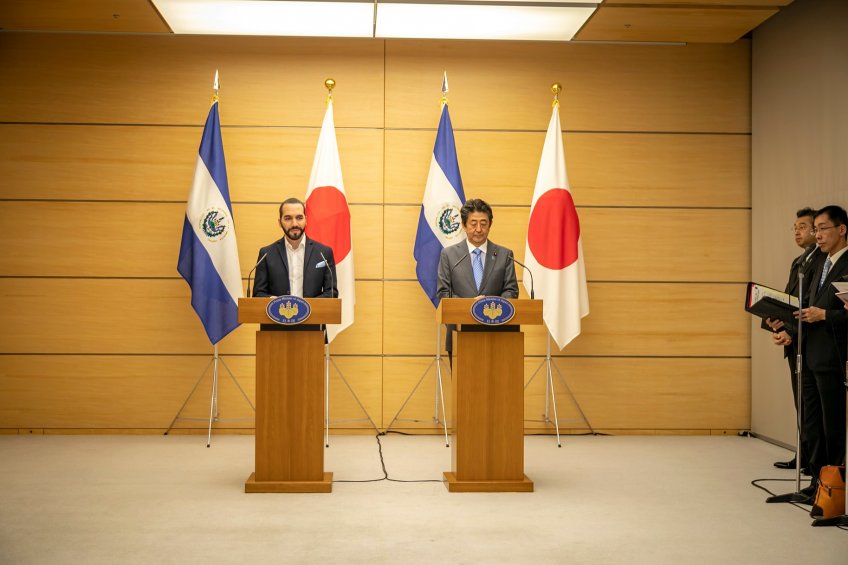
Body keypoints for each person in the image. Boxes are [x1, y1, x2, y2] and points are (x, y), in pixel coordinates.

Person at [775, 204, 848, 501]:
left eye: (822, 228)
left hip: (833, 356)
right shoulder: (817, 263)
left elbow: (832, 313)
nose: (817, 235)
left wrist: (826, 316)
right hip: (807, 354)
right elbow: (804, 306)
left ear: (841, 230)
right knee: (812, 424)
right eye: (814, 229)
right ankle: (815, 483)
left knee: (832, 427)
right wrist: (785, 327)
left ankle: (832, 493)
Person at [764, 208, 824, 472]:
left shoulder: (822, 261)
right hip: (794, 340)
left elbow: (810, 303)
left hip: (809, 339)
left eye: (803, 226)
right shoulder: (799, 261)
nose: (797, 232)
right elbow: (791, 302)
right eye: (795, 227)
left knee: (812, 406)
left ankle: (814, 461)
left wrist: (792, 329)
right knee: (801, 402)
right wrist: (775, 320)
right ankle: (804, 453)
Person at [436, 199, 518, 360]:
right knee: (464, 386)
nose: (478, 229)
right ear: (464, 225)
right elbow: (444, 293)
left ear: (490, 224)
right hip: (460, 334)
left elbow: (511, 291)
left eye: (483, 223)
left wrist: (488, 305)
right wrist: (473, 306)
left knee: (499, 384)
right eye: (473, 224)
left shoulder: (504, 255)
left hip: (499, 334)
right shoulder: (449, 255)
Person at [253, 197, 337, 299]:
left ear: (306, 220)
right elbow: (258, 294)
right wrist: (275, 302)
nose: (294, 224)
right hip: (278, 313)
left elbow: (332, 293)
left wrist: (306, 306)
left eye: (299, 218)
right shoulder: (266, 254)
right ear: (280, 222)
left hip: (313, 314)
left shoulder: (323, 253)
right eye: (288, 218)